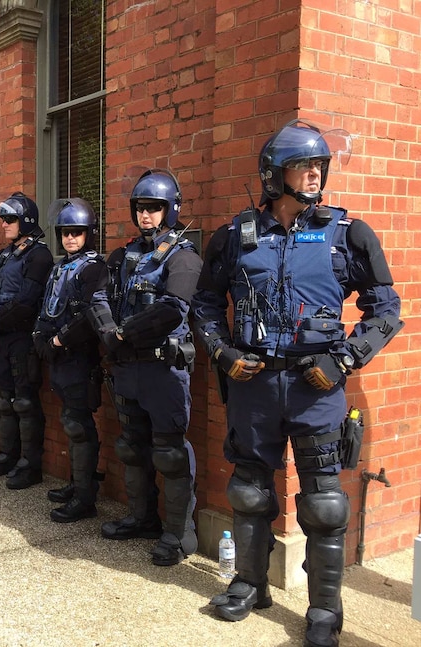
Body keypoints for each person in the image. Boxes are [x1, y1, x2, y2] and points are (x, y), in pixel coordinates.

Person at [192, 120, 403, 647]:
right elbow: (202, 306)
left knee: (324, 503)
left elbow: (386, 309)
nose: (314, 173)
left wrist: (345, 360)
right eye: (302, 165)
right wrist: (224, 352)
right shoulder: (235, 236)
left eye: (320, 165)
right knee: (248, 490)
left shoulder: (347, 234)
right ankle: (248, 583)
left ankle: (324, 613)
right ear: (273, 174)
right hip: (254, 384)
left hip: (317, 388)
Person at [100, 169, 201, 566]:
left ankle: (179, 535)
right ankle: (140, 518)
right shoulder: (123, 255)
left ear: (170, 210)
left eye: (155, 208)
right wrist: (107, 328)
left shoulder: (184, 256)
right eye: (141, 208)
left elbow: (172, 308)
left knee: (170, 454)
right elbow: (99, 296)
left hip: (163, 371)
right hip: (128, 369)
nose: (146, 215)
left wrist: (122, 333)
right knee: (131, 447)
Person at [33, 198, 111, 508]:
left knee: (79, 425)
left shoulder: (94, 268)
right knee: (70, 421)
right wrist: (40, 335)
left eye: (76, 233)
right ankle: (75, 484)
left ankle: (84, 496)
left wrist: (59, 341)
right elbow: (47, 306)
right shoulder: (59, 267)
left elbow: (90, 316)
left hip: (78, 356)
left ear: (88, 234)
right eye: (65, 232)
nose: (70, 238)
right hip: (59, 358)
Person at [0, 193, 54, 486]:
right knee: (5, 401)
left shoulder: (39, 254)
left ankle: (29, 465)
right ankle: (8, 455)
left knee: (24, 402)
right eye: (3, 219)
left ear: (26, 221)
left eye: (10, 219)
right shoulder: (4, 255)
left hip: (21, 339)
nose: (4, 224)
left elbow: (27, 300)